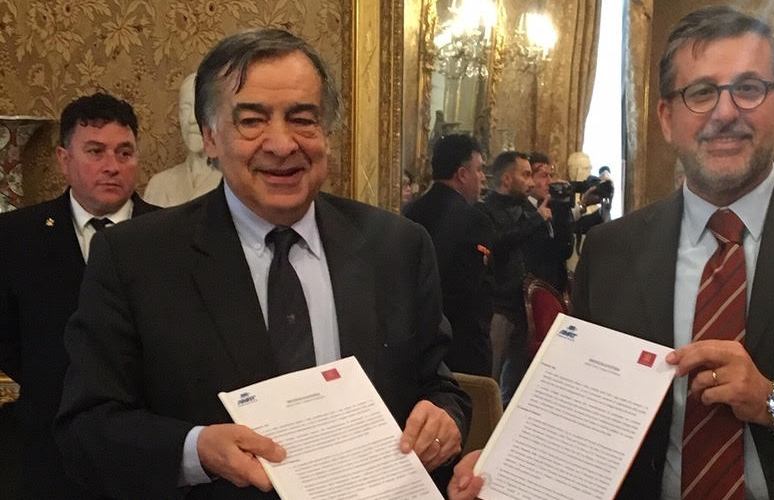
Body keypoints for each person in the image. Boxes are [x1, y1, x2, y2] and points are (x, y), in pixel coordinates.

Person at [450, 6, 774, 500]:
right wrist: (507, 468)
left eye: (749, 88)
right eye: (700, 92)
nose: (725, 112)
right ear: (666, 118)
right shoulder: (612, 251)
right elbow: (582, 409)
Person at [55, 29, 469, 498]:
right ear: (210, 137)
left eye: (303, 120)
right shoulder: (136, 258)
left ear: (326, 132)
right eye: (252, 121)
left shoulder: (397, 247)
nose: (282, 144)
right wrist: (196, 449)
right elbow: (85, 429)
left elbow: (439, 384)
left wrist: (445, 417)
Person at [0, 92, 158, 499]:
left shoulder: (171, 236)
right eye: (95, 151)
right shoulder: (15, 237)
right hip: (50, 449)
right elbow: (8, 340)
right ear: (63, 159)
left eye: (124, 152)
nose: (112, 166)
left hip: (147, 448)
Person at [404, 134, 494, 376]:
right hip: (463, 346)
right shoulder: (475, 220)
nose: (483, 177)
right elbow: (472, 290)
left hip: (416, 343)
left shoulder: (409, 213)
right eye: (479, 169)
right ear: (462, 174)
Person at [478, 151, 550, 404]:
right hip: (499, 306)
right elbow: (499, 244)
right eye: (526, 175)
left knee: (516, 383)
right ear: (507, 179)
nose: (530, 182)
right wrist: (536, 221)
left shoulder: (525, 208)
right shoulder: (485, 210)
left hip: (523, 306)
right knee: (492, 378)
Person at [144, 72, 222, 206]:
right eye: (185, 109)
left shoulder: (235, 183)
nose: (192, 119)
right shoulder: (158, 186)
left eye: (199, 109)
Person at [524, 152, 574, 293]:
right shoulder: (522, 209)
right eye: (544, 176)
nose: (550, 182)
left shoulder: (553, 207)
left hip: (555, 286)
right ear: (530, 178)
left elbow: (565, 250)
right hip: (534, 287)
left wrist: (564, 207)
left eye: (551, 176)